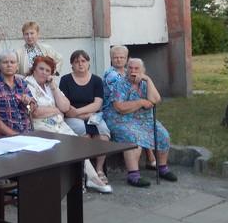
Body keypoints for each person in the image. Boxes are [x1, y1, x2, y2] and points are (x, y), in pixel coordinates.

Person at [26, 55, 112, 193]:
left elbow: (65, 107)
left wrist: (54, 87)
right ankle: (78, 181)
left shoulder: (49, 85)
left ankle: (91, 178)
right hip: (40, 126)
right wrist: (56, 110)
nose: (44, 73)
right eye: (41, 69)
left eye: (48, 71)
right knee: (65, 146)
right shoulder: (27, 85)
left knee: (77, 144)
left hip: (58, 124)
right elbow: (35, 112)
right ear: (34, 69)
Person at [105, 58, 177, 187]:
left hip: (144, 119)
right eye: (130, 68)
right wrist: (141, 102)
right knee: (133, 138)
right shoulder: (120, 84)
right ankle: (133, 175)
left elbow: (155, 100)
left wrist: (148, 80)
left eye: (136, 68)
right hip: (120, 120)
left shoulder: (145, 83)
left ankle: (162, 168)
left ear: (143, 71)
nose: (133, 71)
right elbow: (120, 107)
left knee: (163, 134)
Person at [60, 50, 113, 186]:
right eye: (76, 62)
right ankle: (87, 173)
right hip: (72, 116)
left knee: (103, 134)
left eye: (83, 61)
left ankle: (99, 169)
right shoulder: (65, 80)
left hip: (91, 114)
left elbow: (97, 103)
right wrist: (77, 114)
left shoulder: (96, 80)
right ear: (72, 65)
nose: (80, 64)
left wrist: (79, 112)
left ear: (88, 63)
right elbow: (65, 104)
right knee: (83, 134)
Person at [102, 45, 156, 169]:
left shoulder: (128, 71)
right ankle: (150, 156)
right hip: (113, 109)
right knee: (138, 121)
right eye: (115, 57)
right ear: (111, 59)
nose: (119, 60)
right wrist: (141, 101)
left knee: (147, 118)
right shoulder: (111, 75)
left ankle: (150, 156)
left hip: (130, 107)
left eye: (122, 57)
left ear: (127, 59)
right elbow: (122, 97)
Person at [0, 50, 36, 135]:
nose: (9, 65)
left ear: (17, 67)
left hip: (25, 134)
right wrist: (13, 134)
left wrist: (29, 103)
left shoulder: (22, 83)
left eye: (12, 62)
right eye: (5, 62)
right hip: (2, 136)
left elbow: (33, 108)